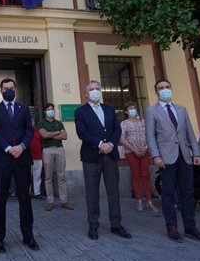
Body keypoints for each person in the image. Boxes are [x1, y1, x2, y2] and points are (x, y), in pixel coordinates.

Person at [145, 79, 200, 243]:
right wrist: (156, 156)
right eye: (161, 88)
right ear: (156, 92)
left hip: (184, 156)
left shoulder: (181, 109)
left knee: (188, 192)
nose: (165, 90)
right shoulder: (152, 111)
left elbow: (190, 133)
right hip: (166, 158)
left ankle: (190, 227)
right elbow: (151, 136)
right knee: (168, 193)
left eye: (167, 87)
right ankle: (171, 227)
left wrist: (196, 153)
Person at [0, 78, 39, 253]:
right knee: (0, 200)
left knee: (25, 199)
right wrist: (9, 148)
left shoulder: (23, 109)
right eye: (5, 88)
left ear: (15, 89)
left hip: (22, 158)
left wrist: (21, 146)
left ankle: (28, 235)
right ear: (0, 90)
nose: (8, 90)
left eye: (11, 88)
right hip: (2, 160)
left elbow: (28, 131)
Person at [75, 80, 131, 240]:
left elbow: (116, 128)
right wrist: (99, 144)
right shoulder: (80, 111)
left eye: (97, 89)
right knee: (92, 192)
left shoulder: (109, 109)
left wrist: (111, 144)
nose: (95, 91)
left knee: (113, 190)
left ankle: (116, 224)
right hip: (91, 157)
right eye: (91, 89)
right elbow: (82, 132)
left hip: (110, 155)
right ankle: (93, 225)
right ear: (86, 94)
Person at [120, 101, 158, 212]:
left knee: (145, 174)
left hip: (144, 151)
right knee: (136, 174)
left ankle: (149, 201)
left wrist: (146, 148)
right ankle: (138, 200)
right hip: (131, 152)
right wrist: (134, 150)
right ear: (126, 111)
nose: (133, 110)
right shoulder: (124, 123)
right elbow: (122, 138)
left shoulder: (144, 122)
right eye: (130, 108)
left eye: (134, 108)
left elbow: (151, 135)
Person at [38, 103, 72, 211]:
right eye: (48, 109)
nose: (51, 111)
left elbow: (65, 136)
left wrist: (51, 133)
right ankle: (50, 201)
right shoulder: (41, 123)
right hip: (47, 150)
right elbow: (44, 135)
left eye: (52, 109)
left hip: (59, 149)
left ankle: (64, 201)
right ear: (45, 112)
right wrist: (58, 133)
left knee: (61, 176)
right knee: (48, 177)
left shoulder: (59, 123)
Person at [29, 126, 45, 200]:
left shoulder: (37, 130)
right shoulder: (23, 130)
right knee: (27, 177)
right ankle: (26, 192)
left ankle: (37, 193)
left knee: (37, 176)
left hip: (38, 157)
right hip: (28, 157)